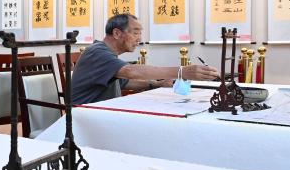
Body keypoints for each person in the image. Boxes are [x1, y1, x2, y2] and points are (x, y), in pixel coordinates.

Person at [70, 14, 218, 105]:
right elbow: (130, 72)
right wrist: (182, 71)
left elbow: (126, 81)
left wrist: (157, 84)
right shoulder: (97, 52)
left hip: (100, 112)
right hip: (84, 115)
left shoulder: (105, 54)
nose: (139, 39)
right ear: (116, 33)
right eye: (135, 33)